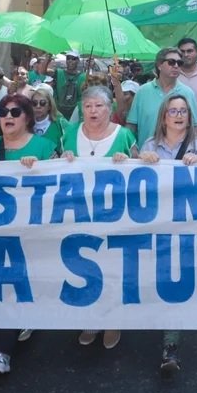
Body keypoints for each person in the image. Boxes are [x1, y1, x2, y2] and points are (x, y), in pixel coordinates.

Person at [0, 93, 58, 375]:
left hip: (35, 230)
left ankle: (0, 351)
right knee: (4, 284)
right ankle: (6, 338)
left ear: (28, 118)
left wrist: (42, 168)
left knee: (13, 281)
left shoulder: (45, 146)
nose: (8, 116)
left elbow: (63, 184)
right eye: (3, 112)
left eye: (15, 112)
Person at [138, 94, 197, 378]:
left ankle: (171, 344)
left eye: (183, 111)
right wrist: (141, 161)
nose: (179, 115)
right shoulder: (149, 145)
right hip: (158, 225)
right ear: (163, 117)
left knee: (177, 280)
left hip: (189, 224)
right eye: (173, 111)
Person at [61, 85, 138, 351]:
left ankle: (114, 320)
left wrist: (127, 161)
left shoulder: (124, 135)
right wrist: (62, 159)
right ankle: (91, 319)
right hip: (79, 216)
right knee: (86, 267)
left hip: (114, 217)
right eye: (88, 106)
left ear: (110, 108)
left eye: (99, 105)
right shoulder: (70, 134)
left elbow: (143, 171)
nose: (93, 111)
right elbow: (54, 170)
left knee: (113, 267)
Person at [127, 47, 197, 147]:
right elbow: (131, 126)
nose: (176, 66)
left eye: (179, 63)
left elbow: (195, 128)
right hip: (147, 153)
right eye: (171, 62)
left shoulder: (188, 93)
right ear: (159, 65)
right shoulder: (142, 92)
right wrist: (132, 147)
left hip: (179, 154)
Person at [29, 83, 69, 154]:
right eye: (34, 103)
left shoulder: (61, 123)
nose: (38, 106)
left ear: (50, 106)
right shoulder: (25, 123)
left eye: (42, 103)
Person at [54, 50, 87, 119]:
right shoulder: (59, 73)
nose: (70, 61)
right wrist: (48, 58)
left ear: (78, 61)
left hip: (75, 114)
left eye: (73, 59)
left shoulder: (83, 77)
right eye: (68, 58)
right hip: (59, 113)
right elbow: (42, 73)